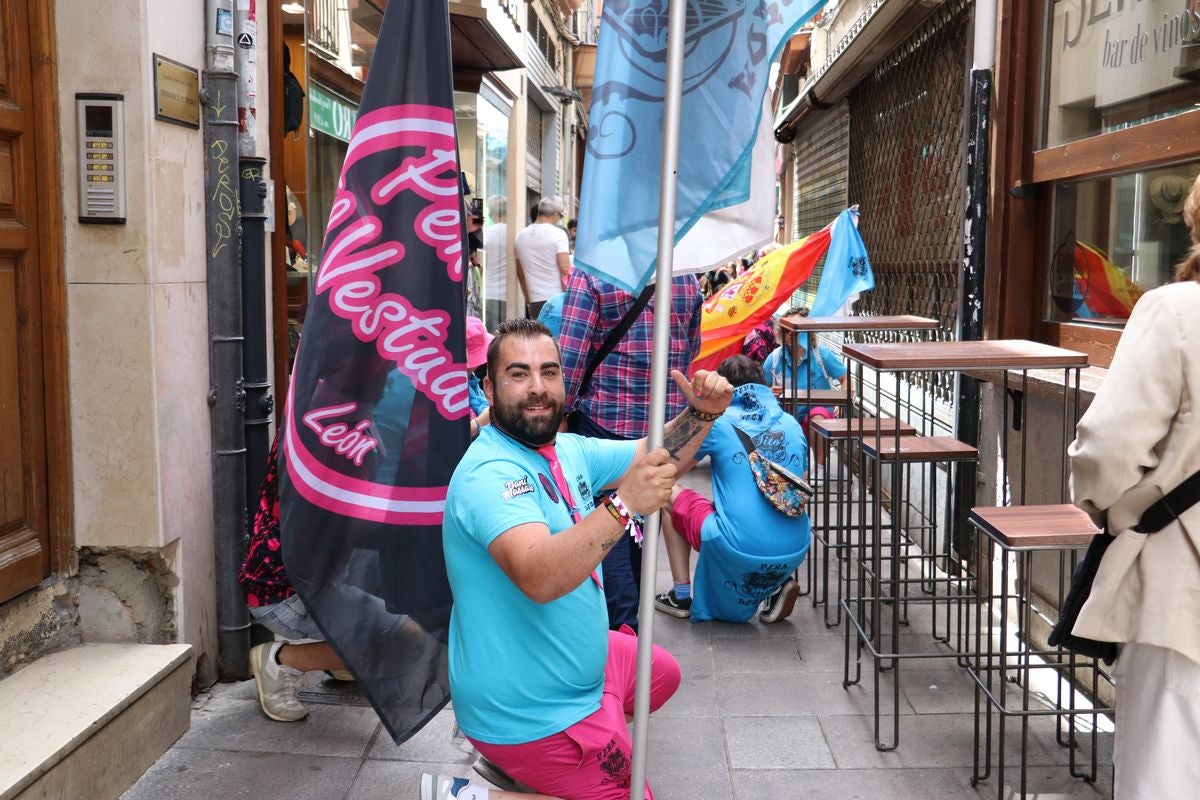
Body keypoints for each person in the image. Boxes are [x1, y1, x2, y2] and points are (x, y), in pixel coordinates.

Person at [421, 318, 734, 800]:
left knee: (660, 673)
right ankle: (478, 795)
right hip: (526, 709)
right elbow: (538, 576)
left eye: (549, 372)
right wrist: (624, 504)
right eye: (519, 373)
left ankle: (578, 749)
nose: (538, 388)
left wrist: (703, 414)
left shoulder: (566, 449)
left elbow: (657, 455)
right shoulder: (492, 473)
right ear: (488, 387)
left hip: (571, 668)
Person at [1067, 172, 1200, 800]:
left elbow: (1110, 447)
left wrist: (1117, 512)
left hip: (1181, 589)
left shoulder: (1177, 310)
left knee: (1167, 773)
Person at [559, 271, 703, 630]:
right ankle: (631, 626)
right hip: (662, 430)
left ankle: (621, 627)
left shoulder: (593, 272)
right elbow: (691, 347)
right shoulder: (685, 273)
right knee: (642, 521)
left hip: (605, 426)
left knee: (606, 530)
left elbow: (569, 360)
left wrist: (559, 416)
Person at [654, 355, 811, 623]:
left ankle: (680, 595)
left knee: (666, 493)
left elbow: (669, 470)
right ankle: (777, 583)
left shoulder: (719, 424)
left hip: (740, 544)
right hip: (798, 545)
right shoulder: (792, 424)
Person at [241, 436, 350, 722]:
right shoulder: (337, 431)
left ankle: (341, 656)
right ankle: (281, 662)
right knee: (411, 636)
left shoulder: (321, 414)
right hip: (286, 594)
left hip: (288, 583)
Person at [762, 305, 848, 433]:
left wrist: (841, 402)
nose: (791, 333)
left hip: (818, 414)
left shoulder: (822, 355)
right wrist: (769, 392)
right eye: (787, 328)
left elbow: (846, 378)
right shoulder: (773, 359)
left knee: (817, 418)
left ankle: (818, 453)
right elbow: (761, 392)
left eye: (797, 328)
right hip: (785, 417)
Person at [514, 196, 571, 318]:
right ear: (556, 214)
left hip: (535, 301)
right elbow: (565, 270)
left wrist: (529, 301)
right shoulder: (558, 234)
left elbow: (520, 273)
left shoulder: (520, 236)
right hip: (557, 301)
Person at [483, 196, 513, 330]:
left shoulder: (486, 234)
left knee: (491, 334)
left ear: (494, 213)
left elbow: (480, 264)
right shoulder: (516, 233)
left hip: (490, 292)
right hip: (512, 294)